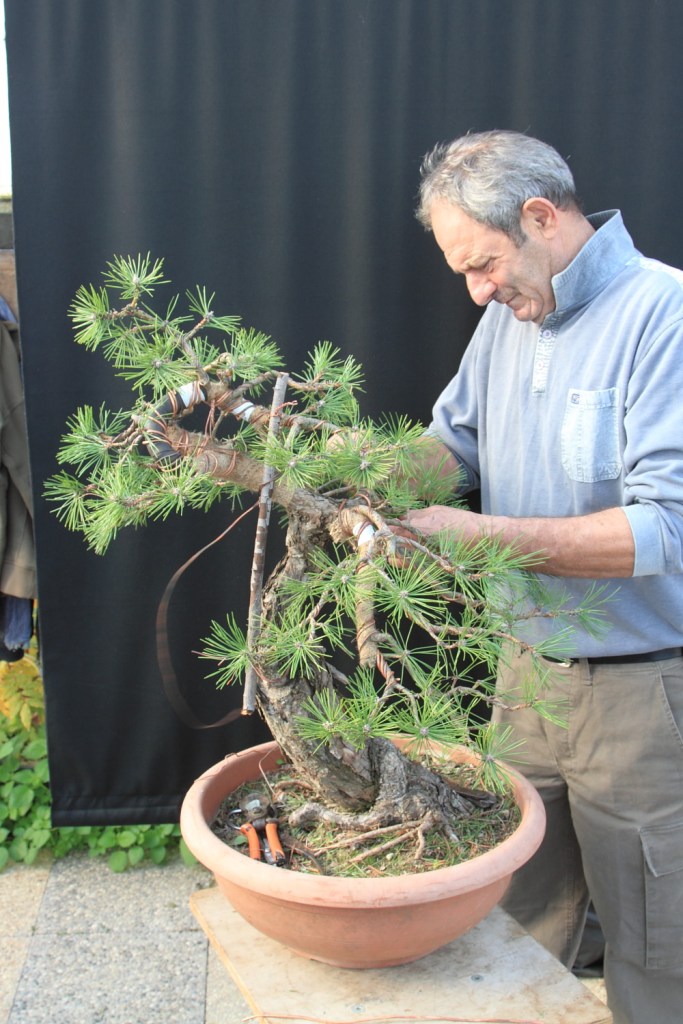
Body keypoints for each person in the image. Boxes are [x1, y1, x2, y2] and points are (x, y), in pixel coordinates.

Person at [403, 129, 683, 1024]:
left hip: (638, 698)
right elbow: (451, 446)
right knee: (507, 927)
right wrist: (351, 473)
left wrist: (479, 537)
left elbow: (663, 527)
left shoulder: (663, 315)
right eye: (463, 273)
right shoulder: (507, 318)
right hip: (523, 682)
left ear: (540, 217)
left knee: (656, 951)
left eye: (483, 264)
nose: (477, 291)